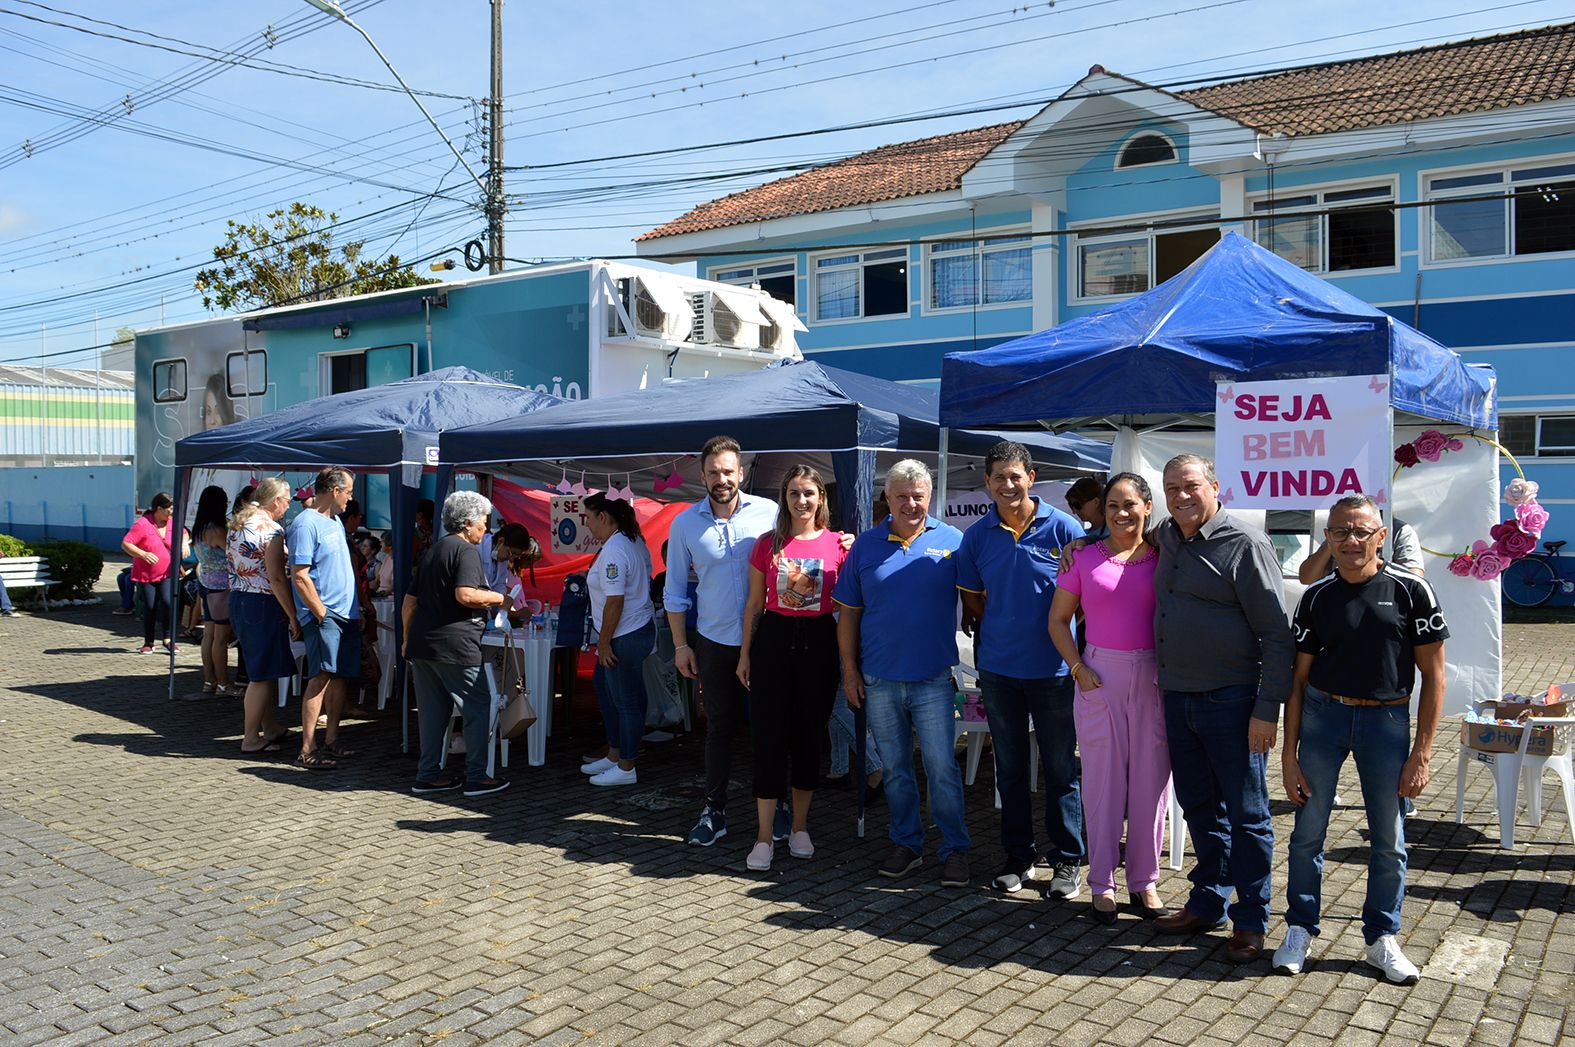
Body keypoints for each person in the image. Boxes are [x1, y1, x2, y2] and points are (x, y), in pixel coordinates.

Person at [1273, 495, 1447, 984]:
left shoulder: (1413, 591)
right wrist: (1289, 757)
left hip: (1386, 724)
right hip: (1323, 721)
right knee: (1307, 833)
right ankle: (1301, 929)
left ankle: (1381, 938)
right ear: (1327, 538)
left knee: (1389, 839)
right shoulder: (1316, 596)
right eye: (1340, 533)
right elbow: (1299, 681)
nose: (1351, 541)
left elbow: (1434, 676)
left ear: (1381, 535)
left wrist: (1423, 753)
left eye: (1361, 531)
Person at [1150, 453, 1294, 965]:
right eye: (1171, 487)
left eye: (1190, 485)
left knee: (1249, 815)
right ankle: (1207, 901)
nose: (1181, 495)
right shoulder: (1167, 535)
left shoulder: (1245, 544)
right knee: (1199, 808)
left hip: (1233, 702)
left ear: (1215, 486)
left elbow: (1278, 635)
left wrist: (1266, 709)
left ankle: (1251, 920)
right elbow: (1128, 539)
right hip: (1177, 697)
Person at [956, 441, 1086, 898]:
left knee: (1059, 770)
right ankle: (1020, 857)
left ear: (1031, 478)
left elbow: (1087, 596)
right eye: (998, 478)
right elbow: (972, 597)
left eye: (1016, 476)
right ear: (987, 484)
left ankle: (1068, 860)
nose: (1008, 485)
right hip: (998, 670)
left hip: (1053, 671)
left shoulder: (1065, 529)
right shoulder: (976, 536)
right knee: (1009, 769)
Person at [835, 459, 971, 887]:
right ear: (887, 499)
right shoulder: (866, 545)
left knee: (941, 769)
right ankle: (908, 843)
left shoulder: (952, 540)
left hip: (932, 678)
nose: (911, 504)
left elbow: (980, 597)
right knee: (894, 768)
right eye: (901, 496)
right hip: (879, 678)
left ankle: (954, 849)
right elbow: (848, 616)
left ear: (929, 498)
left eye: (918, 496)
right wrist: (849, 671)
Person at [1048, 473, 1172, 924]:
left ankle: (1145, 881)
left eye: (1130, 504)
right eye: (1113, 505)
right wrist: (1078, 669)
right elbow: (1058, 621)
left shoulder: (1165, 556)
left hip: (1155, 679)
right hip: (1098, 677)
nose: (1122, 513)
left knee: (1151, 785)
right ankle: (1101, 881)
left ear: (1147, 508)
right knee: (1102, 785)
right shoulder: (1081, 558)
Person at [664, 435, 780, 848]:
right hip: (713, 640)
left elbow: (804, 545)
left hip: (766, 638)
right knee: (719, 729)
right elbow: (675, 591)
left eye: (728, 471)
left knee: (770, 726)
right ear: (702, 476)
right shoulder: (684, 524)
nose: (721, 479)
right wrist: (680, 645)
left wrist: (842, 541)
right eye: (713, 472)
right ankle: (715, 810)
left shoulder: (769, 512)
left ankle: (777, 805)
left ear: (741, 473)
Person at [737, 465, 846, 871]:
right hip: (773, 641)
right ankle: (764, 836)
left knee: (808, 738)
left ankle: (799, 827)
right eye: (795, 493)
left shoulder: (839, 544)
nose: (802, 501)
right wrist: (745, 654)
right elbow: (752, 605)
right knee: (767, 739)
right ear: (785, 498)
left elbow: (850, 604)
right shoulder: (767, 544)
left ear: (821, 498)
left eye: (809, 494)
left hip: (818, 642)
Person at [404, 491, 512, 797]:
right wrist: (501, 598)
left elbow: (409, 602)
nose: (486, 529)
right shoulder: (465, 552)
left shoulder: (433, 550)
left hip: (423, 644)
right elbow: (465, 595)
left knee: (432, 713)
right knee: (478, 707)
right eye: (484, 522)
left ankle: (428, 774)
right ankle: (477, 776)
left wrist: (406, 639)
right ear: (467, 523)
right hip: (456, 643)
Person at [580, 492, 658, 787]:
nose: (587, 525)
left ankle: (626, 765)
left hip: (624, 634)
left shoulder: (615, 548)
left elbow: (615, 601)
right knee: (615, 691)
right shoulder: (630, 540)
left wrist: (603, 643)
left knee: (626, 702)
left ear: (603, 517)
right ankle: (616, 755)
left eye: (588, 517)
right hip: (633, 630)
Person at [287, 467, 360, 770]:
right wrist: (320, 613)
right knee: (320, 676)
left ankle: (332, 740)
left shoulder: (336, 521)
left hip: (346, 613)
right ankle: (307, 748)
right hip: (325, 615)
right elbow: (300, 575)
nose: (351, 498)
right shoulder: (305, 524)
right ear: (334, 490)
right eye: (349, 491)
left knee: (340, 676)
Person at [226, 478, 298, 754]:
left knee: (262, 670)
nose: (289, 505)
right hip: (262, 602)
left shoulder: (239, 522)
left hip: (240, 599)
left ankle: (269, 727)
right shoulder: (271, 529)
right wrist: (292, 614)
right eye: (288, 499)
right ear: (275, 500)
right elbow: (277, 578)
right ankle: (250, 738)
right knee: (261, 675)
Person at [121, 492, 185, 655]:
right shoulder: (142, 524)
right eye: (170, 509)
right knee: (149, 605)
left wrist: (184, 542)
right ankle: (148, 641)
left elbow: (184, 532)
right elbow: (126, 543)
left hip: (167, 572)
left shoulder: (172, 523)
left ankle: (168, 639)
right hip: (146, 574)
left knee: (167, 602)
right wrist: (142, 554)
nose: (172, 512)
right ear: (159, 509)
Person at [187, 485, 234, 700]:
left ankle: (209, 680)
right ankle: (223, 682)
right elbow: (234, 553)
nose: (227, 504)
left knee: (209, 635)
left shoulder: (199, 528)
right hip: (221, 586)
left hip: (205, 583)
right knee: (220, 638)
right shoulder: (216, 529)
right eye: (225, 500)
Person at [1298, 517, 1425, 582]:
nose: (1352, 540)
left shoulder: (1399, 530)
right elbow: (1307, 578)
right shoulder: (1339, 531)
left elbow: (1413, 578)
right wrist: (1332, 540)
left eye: (1362, 533)